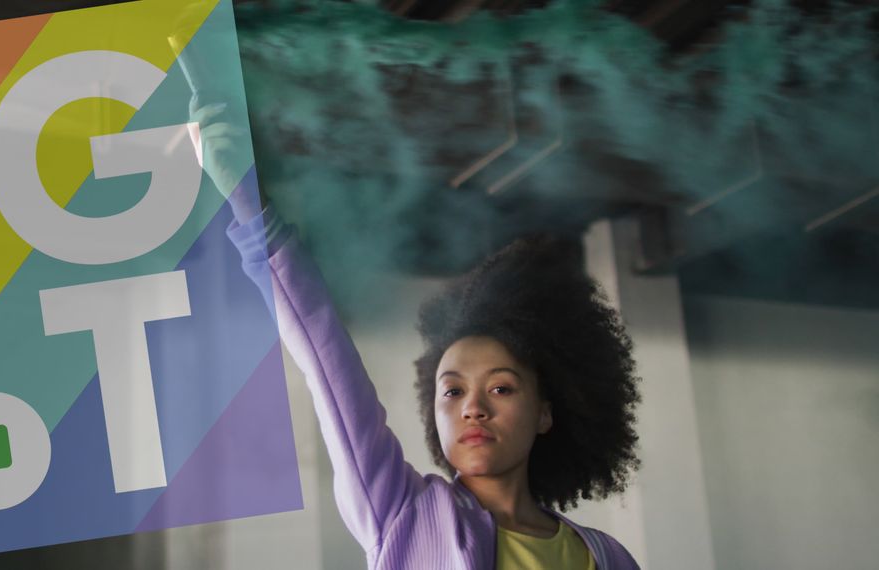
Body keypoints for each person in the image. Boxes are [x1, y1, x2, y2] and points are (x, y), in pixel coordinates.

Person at [192, 101, 642, 569]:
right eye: (452, 390)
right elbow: (327, 360)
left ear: (545, 412)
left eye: (501, 387)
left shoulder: (606, 557)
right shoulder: (401, 515)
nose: (473, 407)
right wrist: (247, 206)